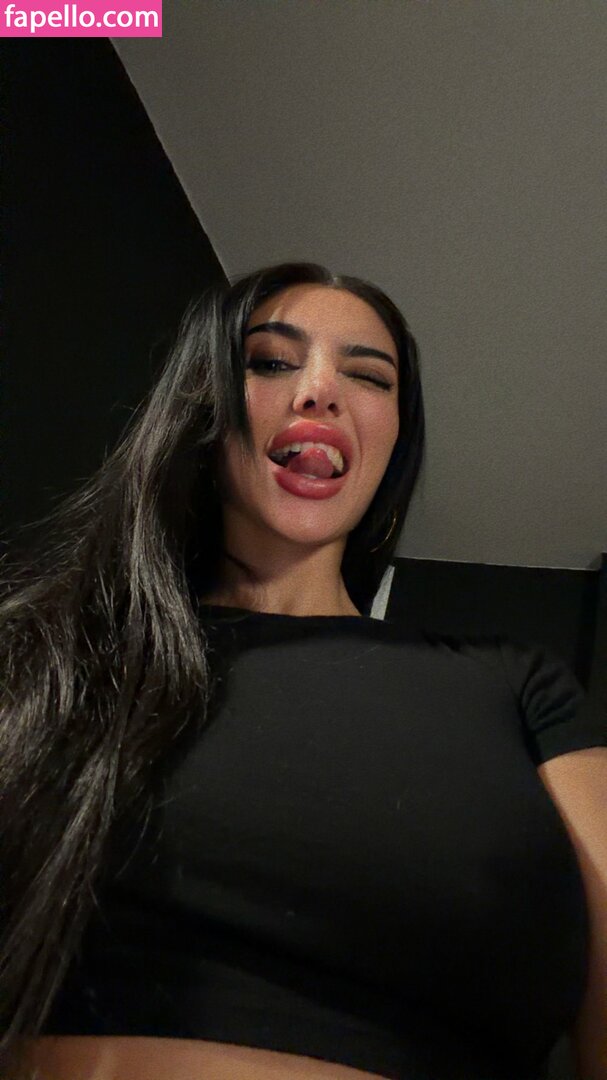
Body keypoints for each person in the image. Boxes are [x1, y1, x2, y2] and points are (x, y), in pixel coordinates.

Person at [0, 262, 605, 1080]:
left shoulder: (518, 690)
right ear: (203, 407)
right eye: (271, 361)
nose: (320, 391)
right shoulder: (50, 655)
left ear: (394, 439)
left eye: (369, 376)